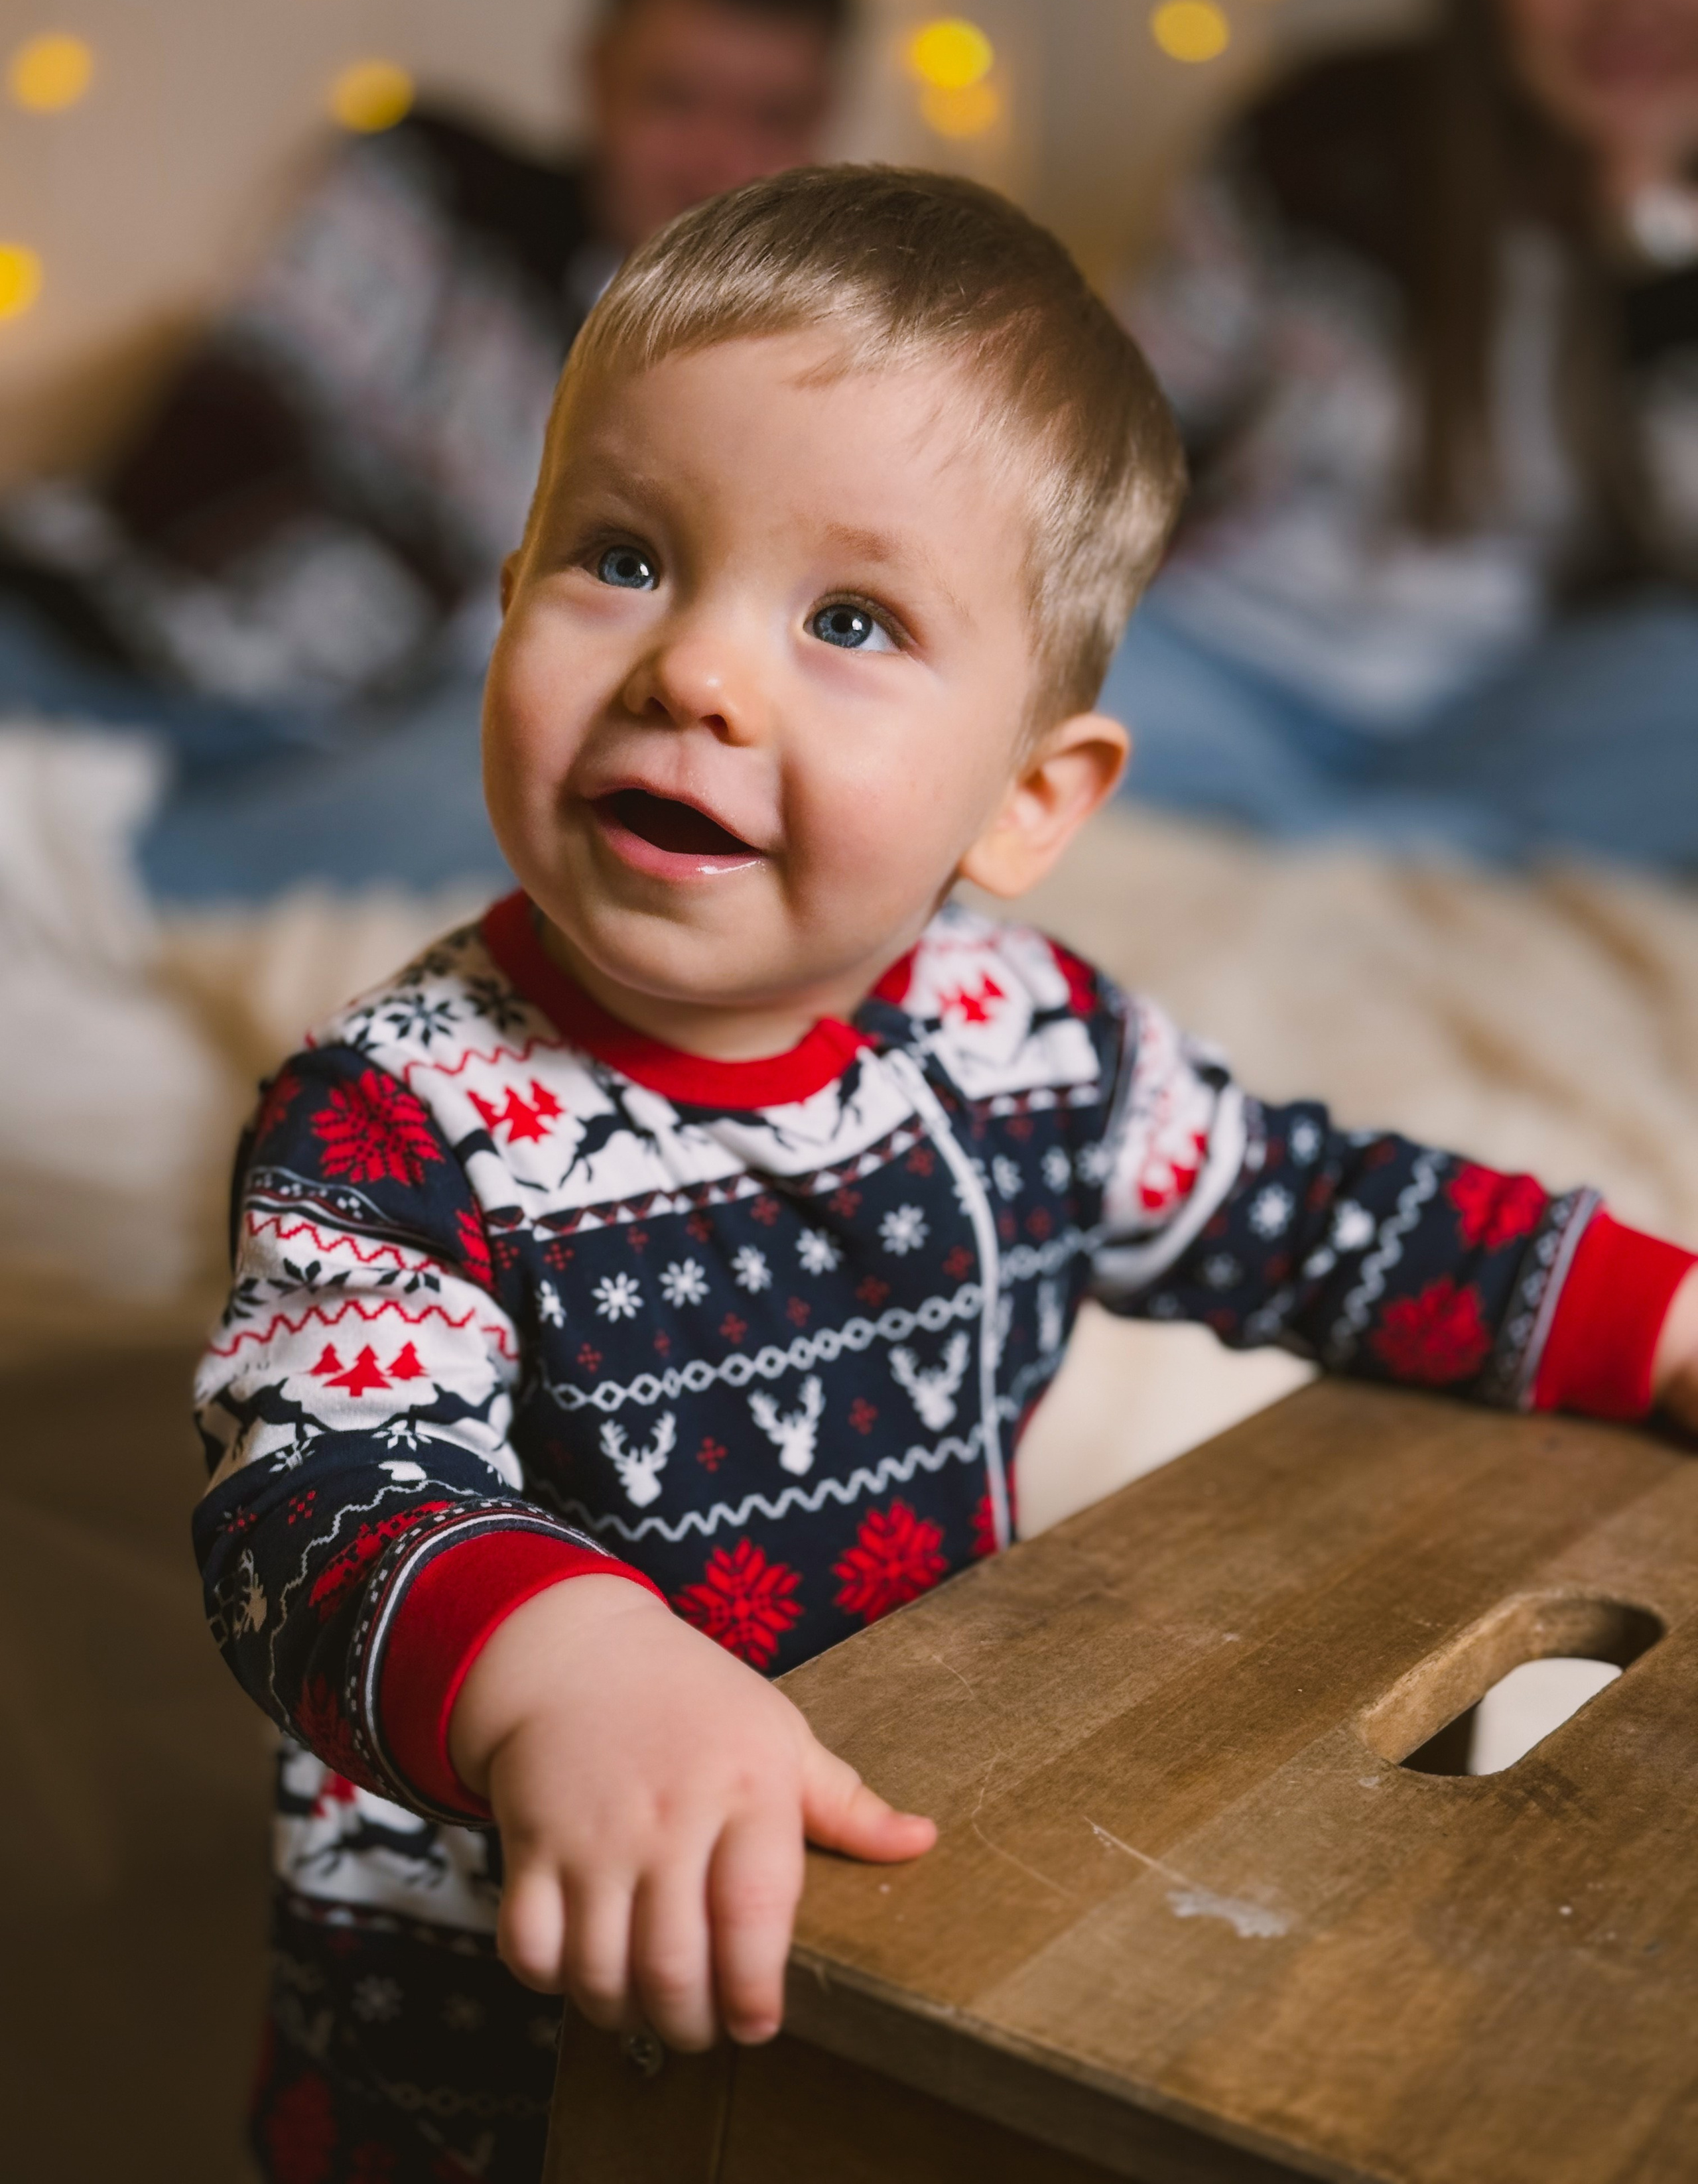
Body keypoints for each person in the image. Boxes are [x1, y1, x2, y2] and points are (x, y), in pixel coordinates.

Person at [191, 166, 1698, 2184]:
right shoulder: (394, 1113)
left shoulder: (1022, 1038)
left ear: (1026, 798)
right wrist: (561, 1665)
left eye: (848, 618)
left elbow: (1317, 1212)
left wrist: (1656, 1309)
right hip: (487, 2009)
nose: (696, 674)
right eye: (623, 556)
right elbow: (308, 1496)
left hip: (893, 1891)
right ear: (508, 592)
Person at [0, 0, 846, 901]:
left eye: (771, 116)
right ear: (596, 74)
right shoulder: (428, 180)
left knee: (537, 779)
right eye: (675, 99)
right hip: (123, 641)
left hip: (373, 758)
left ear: (823, 121)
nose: (718, 159)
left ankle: (103, 877)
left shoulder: (798, 374)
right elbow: (215, 446)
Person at [1106, 0, 1698, 871]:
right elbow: (1130, 414)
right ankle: (1410, 850)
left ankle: (1290, 835)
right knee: (1026, 662)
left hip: (1509, 709)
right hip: (1233, 658)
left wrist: (1657, 241)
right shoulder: (1318, 135)